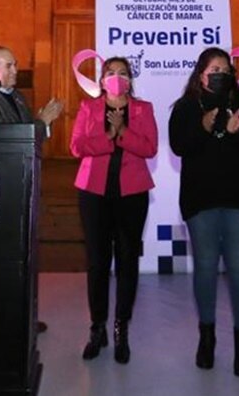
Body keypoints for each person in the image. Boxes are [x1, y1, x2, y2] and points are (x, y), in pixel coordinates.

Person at [168, 46, 239, 377]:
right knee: (206, 267)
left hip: (238, 199)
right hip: (200, 199)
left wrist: (236, 133)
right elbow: (180, 145)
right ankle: (206, 336)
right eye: (214, 68)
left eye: (225, 68)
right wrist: (205, 128)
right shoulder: (185, 107)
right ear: (201, 74)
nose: (221, 73)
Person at [0, 45, 63, 335]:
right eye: (8, 66)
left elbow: (24, 140)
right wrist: (41, 122)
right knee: (2, 263)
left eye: (15, 65)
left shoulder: (18, 98)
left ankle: (25, 317)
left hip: (22, 189)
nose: (14, 71)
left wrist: (41, 125)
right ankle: (1, 320)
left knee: (25, 257)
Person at [70, 56, 157, 364]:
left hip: (132, 194)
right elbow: (77, 147)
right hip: (93, 193)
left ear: (130, 80)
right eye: (110, 73)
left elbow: (150, 148)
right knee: (97, 262)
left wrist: (123, 132)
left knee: (127, 261)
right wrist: (108, 136)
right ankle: (98, 328)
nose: (116, 78)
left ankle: (121, 328)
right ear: (102, 78)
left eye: (122, 73)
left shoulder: (143, 109)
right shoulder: (88, 108)